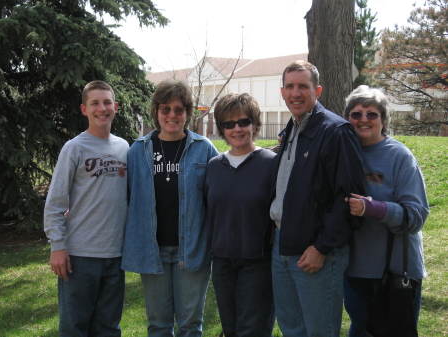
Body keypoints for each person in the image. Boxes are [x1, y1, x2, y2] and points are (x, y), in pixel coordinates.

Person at [269, 60, 365, 337]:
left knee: (319, 331)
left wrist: (322, 247)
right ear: (282, 91)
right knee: (292, 327)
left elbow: (349, 198)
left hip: (316, 251)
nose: (295, 93)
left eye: (303, 86)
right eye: (289, 86)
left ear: (318, 90)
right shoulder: (292, 129)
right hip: (282, 244)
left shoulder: (336, 132)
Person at [121, 79, 218, 337]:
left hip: (192, 250)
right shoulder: (137, 151)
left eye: (178, 109)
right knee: (159, 326)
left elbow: (215, 199)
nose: (172, 115)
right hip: (153, 251)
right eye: (166, 109)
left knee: (190, 326)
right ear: (156, 111)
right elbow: (126, 197)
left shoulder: (204, 149)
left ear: (187, 113)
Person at [44, 80, 129, 336]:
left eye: (106, 102)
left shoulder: (124, 147)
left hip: (115, 255)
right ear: (84, 109)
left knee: (108, 328)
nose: (101, 108)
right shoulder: (74, 148)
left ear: (116, 107)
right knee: (75, 328)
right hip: (80, 256)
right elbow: (56, 202)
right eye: (95, 103)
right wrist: (57, 246)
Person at [343, 85, 429, 337]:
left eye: (372, 114)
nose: (363, 120)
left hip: (395, 271)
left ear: (383, 120)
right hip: (354, 269)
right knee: (360, 329)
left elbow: (416, 215)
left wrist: (374, 208)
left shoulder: (400, 156)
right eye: (356, 114)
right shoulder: (344, 153)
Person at [205, 93, 275, 337]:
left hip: (257, 263)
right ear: (221, 128)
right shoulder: (214, 167)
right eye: (228, 124)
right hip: (222, 262)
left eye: (243, 122)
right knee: (230, 328)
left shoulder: (270, 163)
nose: (237, 129)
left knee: (252, 330)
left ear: (254, 124)